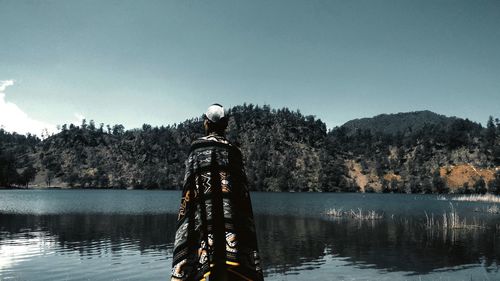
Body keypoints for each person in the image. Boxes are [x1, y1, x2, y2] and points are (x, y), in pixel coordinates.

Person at [171, 104, 264, 281]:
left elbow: (190, 190)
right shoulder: (234, 152)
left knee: (212, 270)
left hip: (205, 219)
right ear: (225, 124)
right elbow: (241, 196)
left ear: (206, 123)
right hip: (232, 223)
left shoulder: (197, 148)